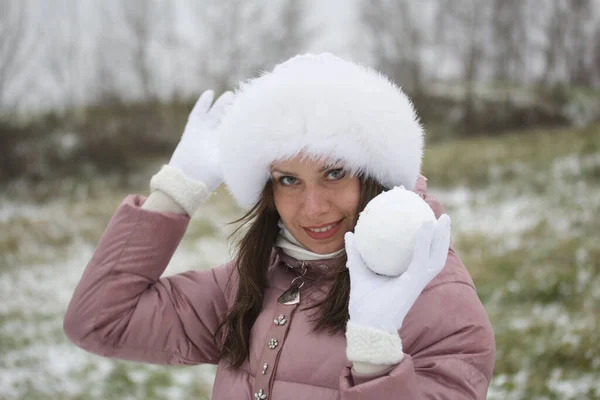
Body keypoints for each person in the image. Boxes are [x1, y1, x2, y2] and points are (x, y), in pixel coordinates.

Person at [64, 53, 495, 399]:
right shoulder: (254, 281)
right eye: (288, 180)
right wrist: (177, 190)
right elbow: (101, 321)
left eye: (335, 173)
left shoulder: (440, 304)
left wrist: (375, 358)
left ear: (376, 174)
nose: (312, 208)